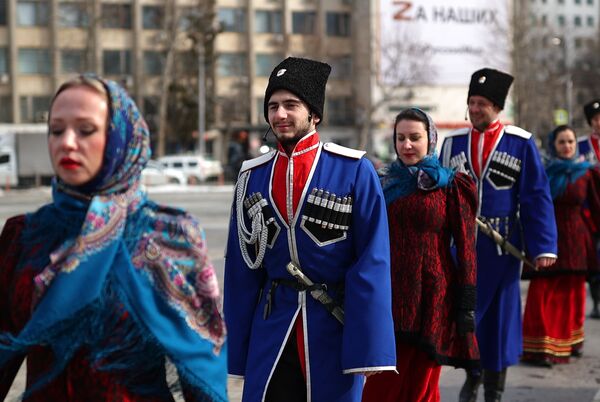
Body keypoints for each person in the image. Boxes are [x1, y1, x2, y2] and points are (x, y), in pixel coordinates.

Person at [0, 75, 227, 401]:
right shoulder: (23, 237)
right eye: (56, 130)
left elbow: (204, 364)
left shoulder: (168, 236)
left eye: (85, 130)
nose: (66, 142)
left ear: (121, 136)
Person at [223, 57, 396, 402]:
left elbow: (372, 261)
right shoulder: (251, 176)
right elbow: (242, 270)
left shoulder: (353, 170)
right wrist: (234, 348)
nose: (280, 115)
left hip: (332, 325)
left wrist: (370, 345)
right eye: (273, 106)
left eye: (291, 105)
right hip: (272, 327)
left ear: (314, 113)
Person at [439, 67, 558, 402]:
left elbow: (536, 195)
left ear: (497, 108)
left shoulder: (519, 143)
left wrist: (543, 245)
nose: (475, 109)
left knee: (499, 324)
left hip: (502, 249)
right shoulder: (452, 144)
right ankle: (472, 376)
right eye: (471, 102)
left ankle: (495, 388)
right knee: (467, 318)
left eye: (482, 104)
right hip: (461, 250)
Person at [361, 108, 479, 402]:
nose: (407, 145)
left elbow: (466, 248)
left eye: (415, 137)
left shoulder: (451, 185)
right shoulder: (382, 182)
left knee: (421, 385)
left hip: (433, 297)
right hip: (389, 295)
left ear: (431, 140)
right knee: (382, 381)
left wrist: (466, 305)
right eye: (400, 138)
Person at [521, 125, 600, 366]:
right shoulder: (543, 173)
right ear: (553, 145)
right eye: (562, 142)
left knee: (572, 294)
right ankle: (540, 347)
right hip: (548, 240)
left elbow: (597, 209)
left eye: (571, 142)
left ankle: (568, 343)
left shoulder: (587, 174)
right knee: (542, 294)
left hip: (577, 242)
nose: (567, 146)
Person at [578, 99, 600, 319]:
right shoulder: (581, 145)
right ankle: (597, 302)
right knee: (594, 258)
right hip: (590, 212)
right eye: (595, 119)